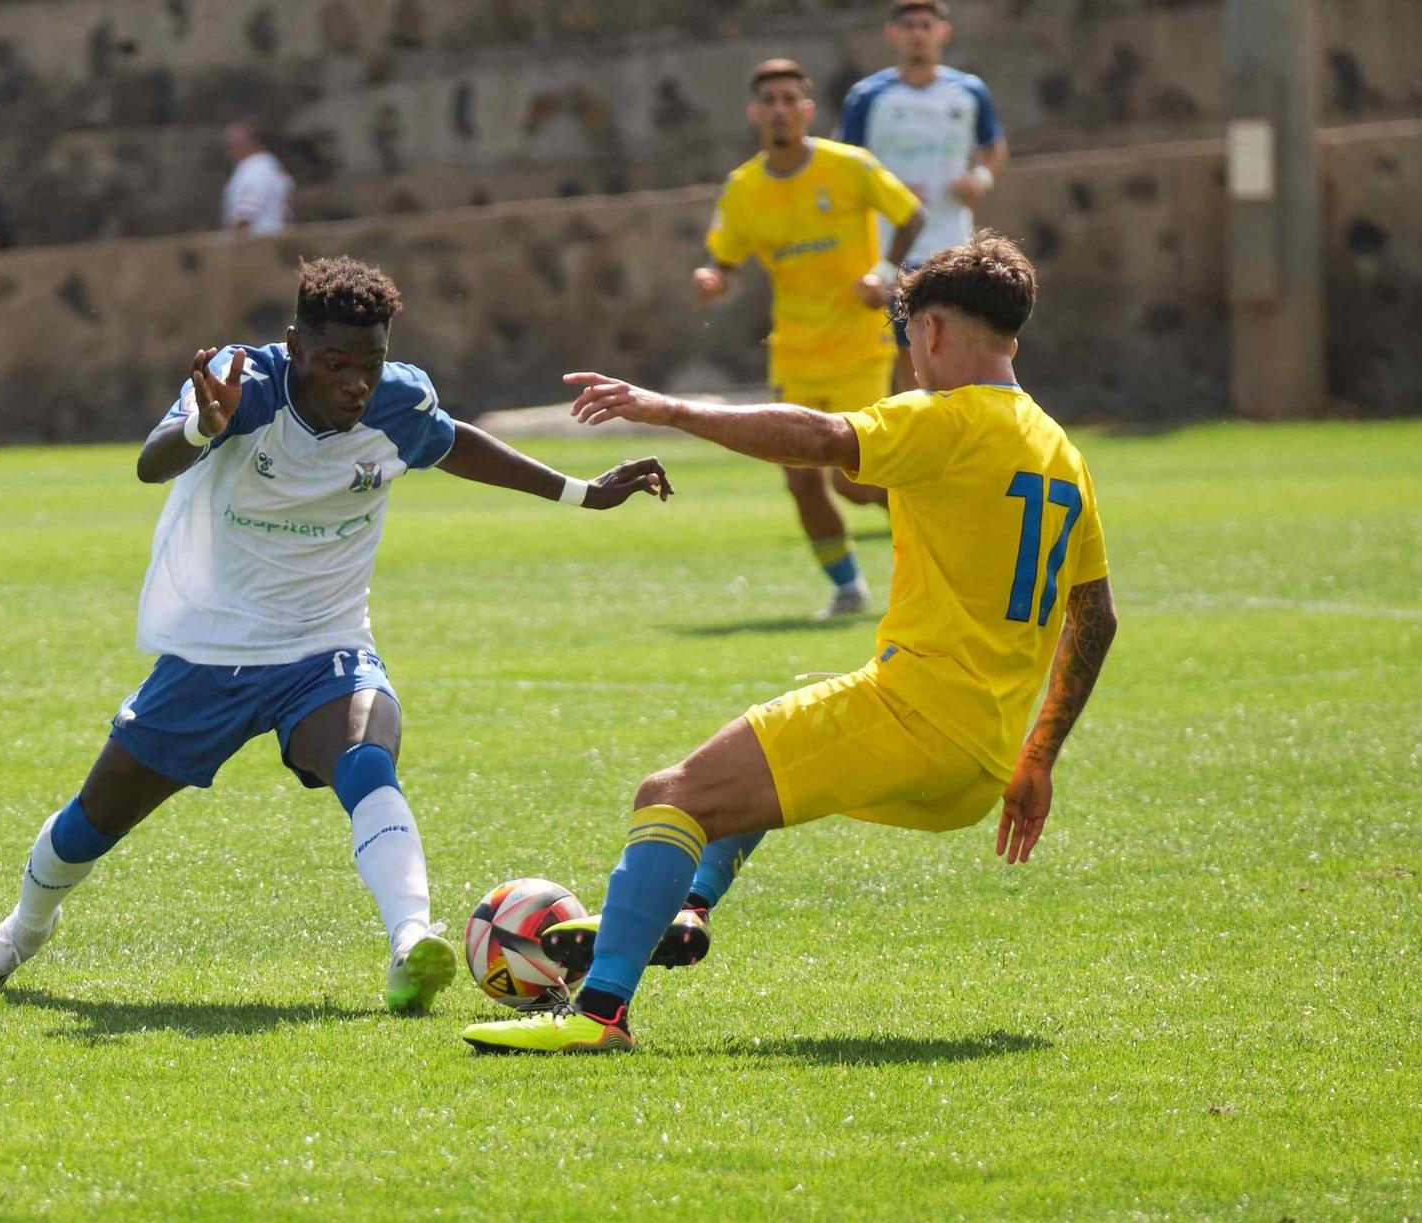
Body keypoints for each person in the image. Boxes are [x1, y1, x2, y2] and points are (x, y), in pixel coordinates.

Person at [0, 256, 673, 1013]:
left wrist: (582, 493)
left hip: (326, 645)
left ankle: (410, 940)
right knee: (94, 819)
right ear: (295, 344)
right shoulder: (241, 385)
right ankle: (23, 929)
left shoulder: (397, 403)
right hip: (215, 650)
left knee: (365, 758)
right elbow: (150, 463)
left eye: (371, 363)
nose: (356, 382)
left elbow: (452, 441)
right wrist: (203, 424)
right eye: (336, 363)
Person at [463, 233, 1118, 1053]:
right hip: (981, 763)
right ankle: (687, 904)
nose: (911, 357)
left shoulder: (948, 417)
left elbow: (816, 437)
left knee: (669, 794)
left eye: (909, 339)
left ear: (936, 333)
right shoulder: (1063, 453)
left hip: (916, 719)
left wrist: (668, 408)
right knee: (782, 725)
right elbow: (1096, 619)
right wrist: (1039, 757)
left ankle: (597, 1016)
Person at [695, 59, 924, 619]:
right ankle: (848, 588)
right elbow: (723, 257)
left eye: (788, 99)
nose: (778, 109)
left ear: (806, 110)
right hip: (794, 353)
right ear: (755, 113)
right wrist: (714, 278)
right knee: (800, 482)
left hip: (858, 347)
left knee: (858, 479)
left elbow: (911, 214)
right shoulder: (744, 188)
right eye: (768, 100)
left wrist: (885, 271)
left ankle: (937, 530)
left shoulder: (849, 166)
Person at [843, 0, 1009, 397]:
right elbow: (845, 167)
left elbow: (994, 146)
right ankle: (917, 439)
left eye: (926, 25)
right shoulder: (868, 97)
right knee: (909, 353)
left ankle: (958, 437)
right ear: (893, 34)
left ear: (942, 33)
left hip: (953, 245)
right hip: (894, 250)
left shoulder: (967, 91)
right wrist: (888, 190)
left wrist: (981, 177)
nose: (918, 33)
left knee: (962, 348)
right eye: (909, 26)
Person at [220, 121, 294, 236]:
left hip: (258, 242)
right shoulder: (270, 164)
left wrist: (227, 244)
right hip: (276, 237)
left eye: (231, 146)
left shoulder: (255, 169)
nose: (229, 152)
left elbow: (245, 215)